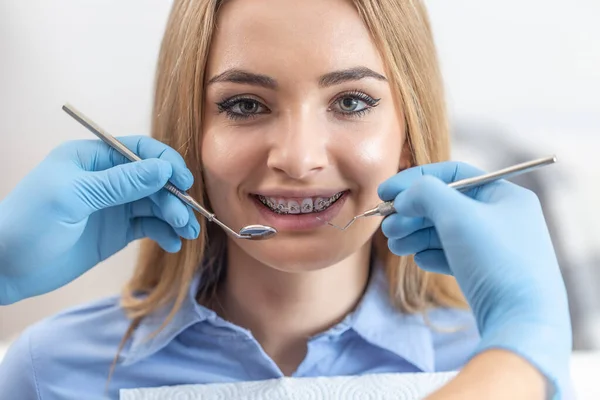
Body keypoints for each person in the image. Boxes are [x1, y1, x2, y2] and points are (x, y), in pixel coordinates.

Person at [0, 0, 572, 399]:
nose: (298, 160)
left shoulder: (505, 360)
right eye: (245, 105)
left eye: (351, 102)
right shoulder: (51, 370)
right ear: (187, 134)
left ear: (408, 134)